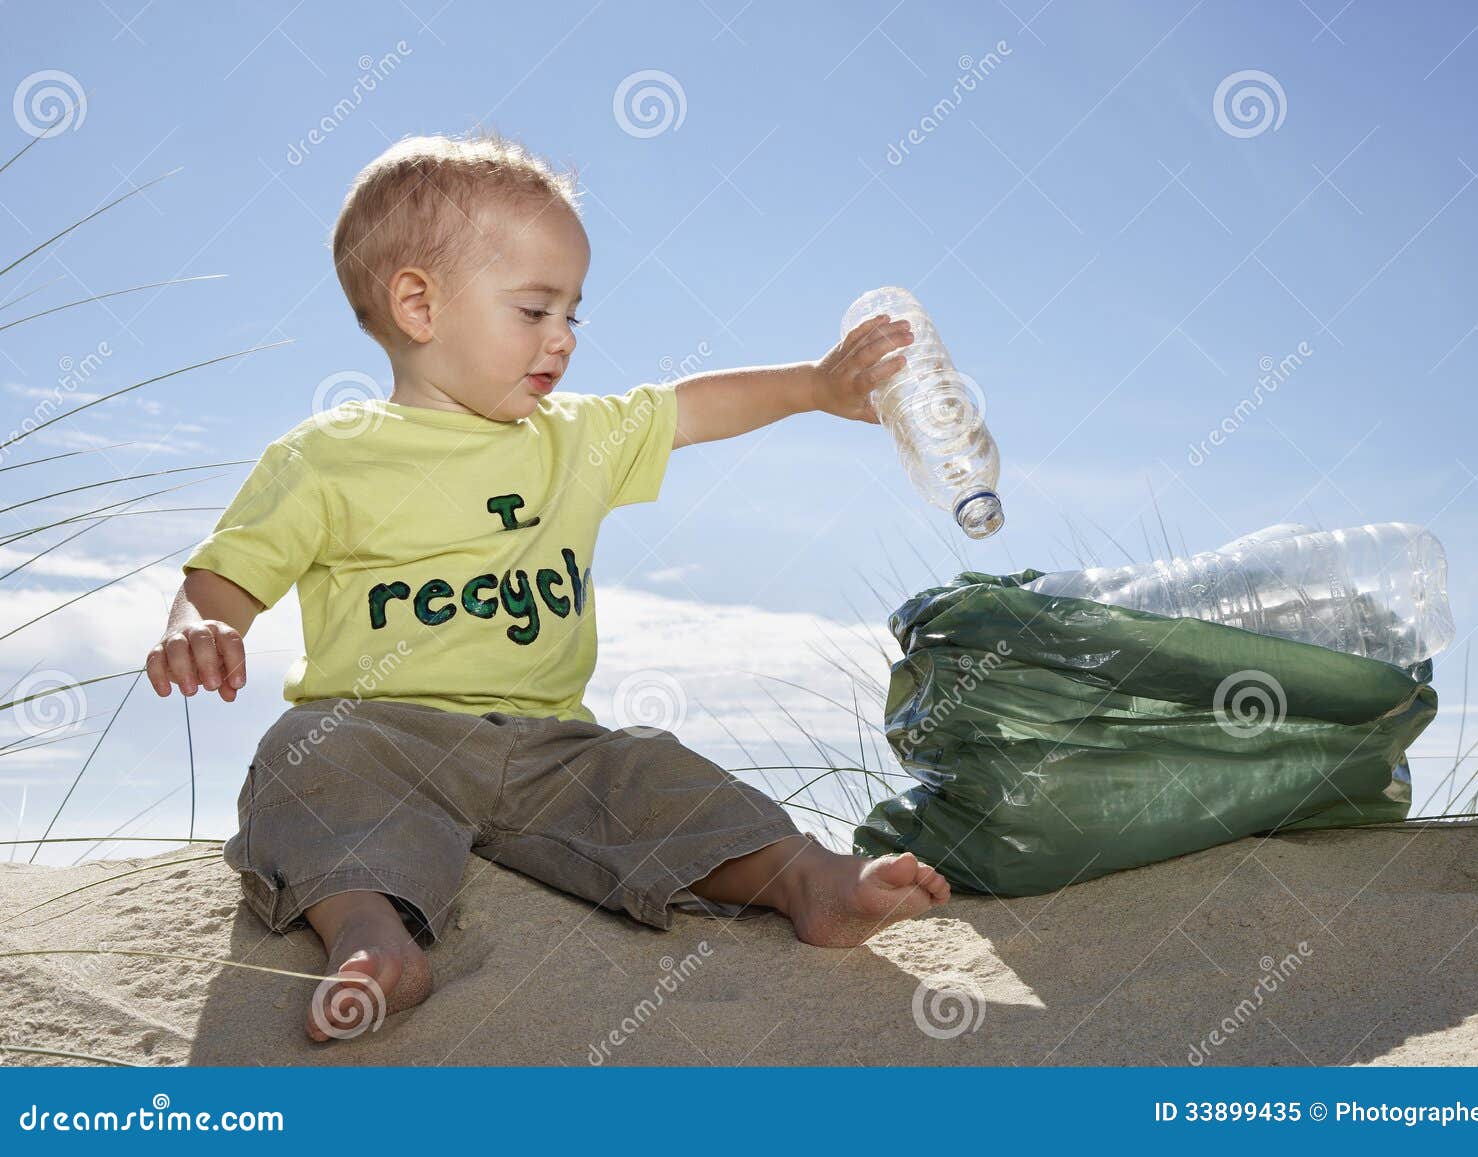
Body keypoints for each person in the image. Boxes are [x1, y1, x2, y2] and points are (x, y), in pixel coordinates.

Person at [144, 131, 950, 1042]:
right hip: (385, 733)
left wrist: (813, 383)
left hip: (554, 743)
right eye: (533, 310)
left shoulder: (575, 436)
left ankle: (805, 876)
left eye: (573, 312)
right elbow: (226, 574)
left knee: (652, 770)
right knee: (306, 757)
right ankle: (371, 936)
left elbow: (690, 407)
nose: (562, 338)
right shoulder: (324, 456)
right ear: (418, 303)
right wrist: (197, 624)